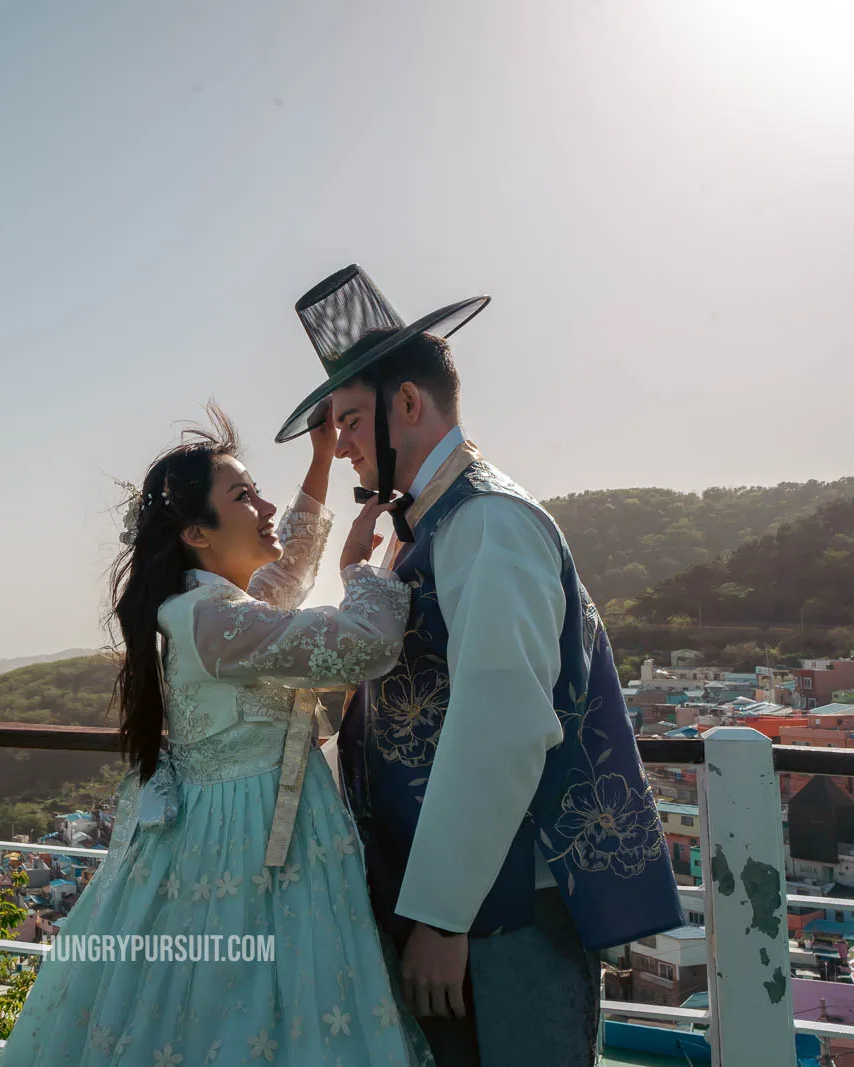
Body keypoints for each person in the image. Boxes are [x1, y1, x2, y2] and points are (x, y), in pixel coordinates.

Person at [276, 265, 684, 1066]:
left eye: (351, 420)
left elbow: (500, 724)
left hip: (504, 912)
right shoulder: (431, 525)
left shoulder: (489, 523)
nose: (344, 442)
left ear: (408, 403)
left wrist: (442, 916)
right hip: (464, 904)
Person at [0, 406, 433, 1065]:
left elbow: (282, 581)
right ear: (199, 532)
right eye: (244, 495)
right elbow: (364, 643)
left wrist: (318, 460)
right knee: (264, 1014)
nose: (263, 504)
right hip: (260, 848)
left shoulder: (200, 609)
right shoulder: (215, 623)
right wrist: (361, 570)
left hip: (226, 836)